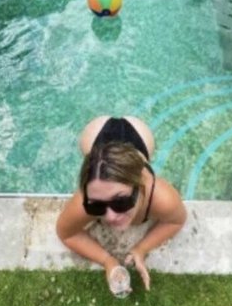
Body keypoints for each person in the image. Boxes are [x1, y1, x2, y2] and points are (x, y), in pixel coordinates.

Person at [56, 115, 187, 293]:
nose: (110, 217)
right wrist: (107, 261)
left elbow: (176, 221)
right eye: (97, 206)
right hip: (96, 134)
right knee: (92, 157)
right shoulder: (85, 200)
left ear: (140, 185)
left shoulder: (161, 197)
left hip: (139, 134)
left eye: (120, 201)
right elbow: (66, 233)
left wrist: (141, 249)